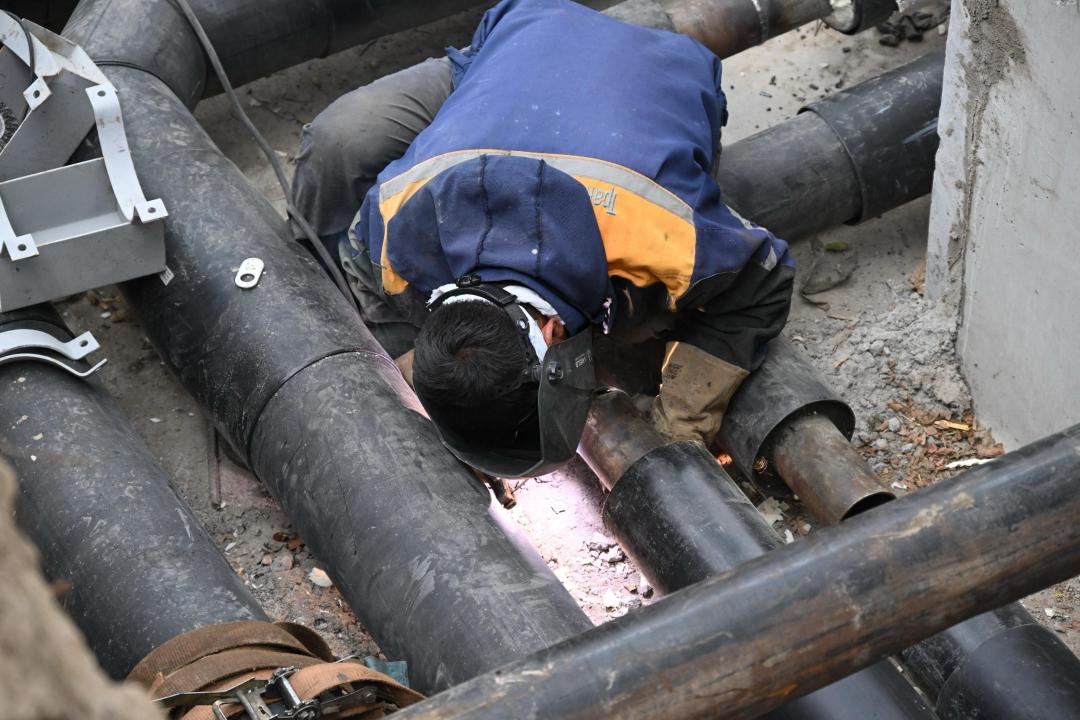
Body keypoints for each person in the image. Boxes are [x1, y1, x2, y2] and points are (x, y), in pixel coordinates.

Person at [291, 0, 794, 477]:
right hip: (516, 45)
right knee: (340, 139)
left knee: (642, 325)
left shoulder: (662, 240)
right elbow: (363, 272)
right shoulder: (392, 224)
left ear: (552, 331)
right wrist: (426, 375)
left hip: (656, 71)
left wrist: (679, 426)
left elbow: (767, 276)